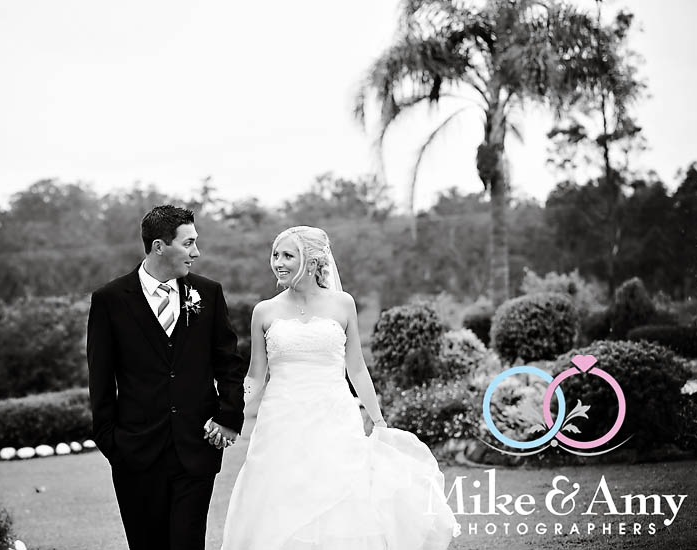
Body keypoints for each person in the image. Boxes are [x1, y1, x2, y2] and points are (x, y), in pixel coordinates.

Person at [218, 226, 458, 550]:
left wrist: (378, 418)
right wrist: (228, 411)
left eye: (288, 255)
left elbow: (356, 367)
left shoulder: (343, 304)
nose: (278, 263)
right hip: (280, 422)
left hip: (334, 416)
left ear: (313, 261)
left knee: (340, 492)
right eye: (275, 255)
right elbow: (256, 377)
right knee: (280, 496)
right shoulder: (264, 311)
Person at [87, 205, 245, 550]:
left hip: (196, 448)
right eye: (188, 243)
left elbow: (229, 364)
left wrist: (229, 417)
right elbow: (100, 379)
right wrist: (111, 443)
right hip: (136, 453)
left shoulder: (208, 293)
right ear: (159, 246)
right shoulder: (109, 300)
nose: (196, 252)